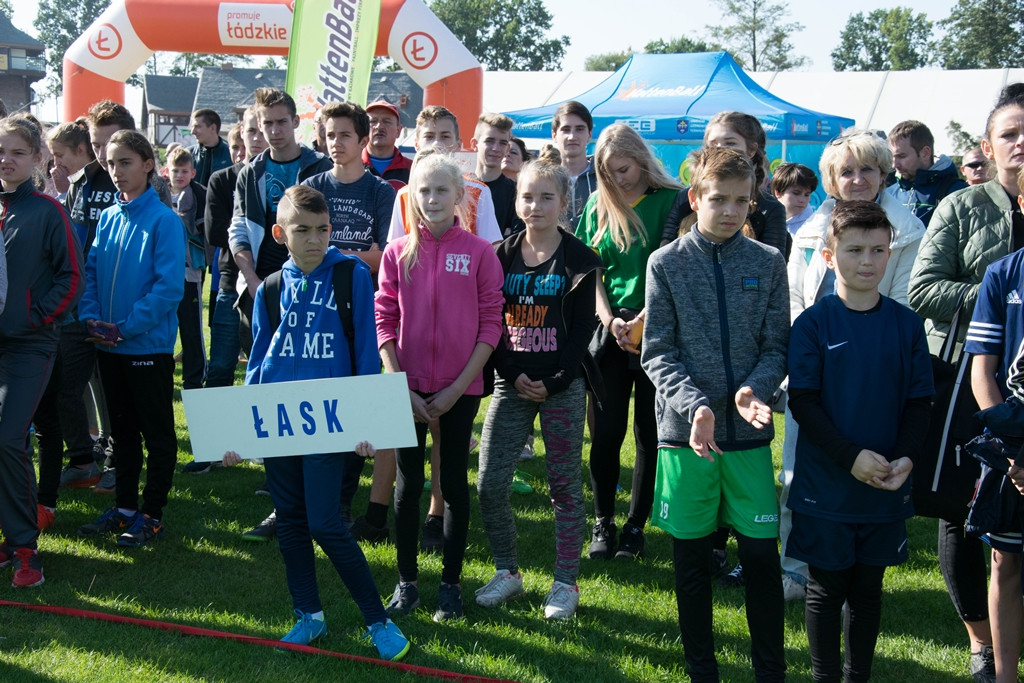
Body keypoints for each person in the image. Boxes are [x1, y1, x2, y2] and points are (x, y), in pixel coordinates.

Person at [222, 184, 411, 659]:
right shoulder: (269, 288)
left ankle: (377, 621)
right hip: (280, 423)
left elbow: (367, 352)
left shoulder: (350, 277)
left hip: (331, 421)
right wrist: (241, 430)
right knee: (290, 521)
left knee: (326, 523)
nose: (314, 239)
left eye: (322, 229)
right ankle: (309, 616)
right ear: (279, 233)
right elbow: (259, 363)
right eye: (302, 230)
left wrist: (368, 419)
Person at [643, 146, 788, 682]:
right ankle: (701, 669)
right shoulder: (666, 263)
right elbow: (656, 351)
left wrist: (754, 391)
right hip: (686, 440)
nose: (730, 211)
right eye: (719, 199)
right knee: (693, 565)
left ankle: (770, 671)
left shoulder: (768, 263)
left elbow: (778, 347)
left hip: (748, 443)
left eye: (742, 201)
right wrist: (696, 405)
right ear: (696, 197)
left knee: (761, 564)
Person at [787, 200, 932, 683]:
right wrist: (849, 458)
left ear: (890, 254)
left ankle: (858, 677)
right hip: (826, 486)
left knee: (869, 590)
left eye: (877, 250)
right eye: (854, 250)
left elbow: (919, 402)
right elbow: (804, 402)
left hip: (885, 485)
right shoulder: (812, 324)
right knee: (826, 590)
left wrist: (907, 457)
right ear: (829, 257)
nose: (867, 261)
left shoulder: (906, 325)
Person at [908, 83, 1024, 683]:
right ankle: (981, 642)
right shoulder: (961, 206)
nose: (1020, 143)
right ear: (988, 145)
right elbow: (922, 289)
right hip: (965, 376)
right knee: (962, 507)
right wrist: (998, 299)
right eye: (1009, 133)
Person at [781, 129, 926, 601]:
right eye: (847, 170)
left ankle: (864, 562)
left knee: (868, 464)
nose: (858, 179)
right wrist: (808, 355)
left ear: (884, 173)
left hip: (876, 371)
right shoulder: (806, 230)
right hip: (815, 366)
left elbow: (904, 300)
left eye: (868, 169)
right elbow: (795, 298)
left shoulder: (907, 231)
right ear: (831, 178)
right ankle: (795, 567)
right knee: (799, 470)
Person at [475, 146, 603, 619]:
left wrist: (555, 380)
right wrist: (513, 372)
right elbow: (488, 318)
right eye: (527, 196)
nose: (535, 206)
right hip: (512, 381)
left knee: (565, 487)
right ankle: (508, 572)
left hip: (562, 386)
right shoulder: (498, 255)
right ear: (516, 202)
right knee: (489, 482)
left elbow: (587, 328)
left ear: (563, 203)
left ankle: (565, 584)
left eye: (546, 197)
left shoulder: (581, 259)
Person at [375, 151, 504, 622]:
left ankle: (451, 585)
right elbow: (384, 319)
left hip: (459, 391)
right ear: (410, 197)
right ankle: (406, 582)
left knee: (452, 484)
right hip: (404, 390)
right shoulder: (396, 252)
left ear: (459, 197)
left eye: (441, 190)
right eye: (423, 190)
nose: (431, 198)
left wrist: (457, 388)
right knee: (408, 487)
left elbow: (492, 324)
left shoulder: (479, 253)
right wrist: (398, 383)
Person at [575, 123, 681, 560]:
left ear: (642, 160)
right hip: (609, 331)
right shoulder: (598, 205)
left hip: (656, 326)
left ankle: (636, 524)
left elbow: (676, 267)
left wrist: (642, 319)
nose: (618, 178)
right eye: (609, 171)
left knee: (649, 432)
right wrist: (607, 319)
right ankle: (603, 521)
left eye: (624, 169)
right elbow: (589, 271)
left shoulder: (671, 201)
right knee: (604, 431)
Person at [76, 130, 183, 548]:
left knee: (156, 434)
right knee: (119, 433)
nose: (117, 171)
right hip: (108, 345)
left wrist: (125, 327)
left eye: (125, 162)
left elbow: (168, 288)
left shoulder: (164, 221)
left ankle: (152, 514)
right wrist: (91, 317)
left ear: (147, 165)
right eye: (110, 163)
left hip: (145, 347)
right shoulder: (108, 218)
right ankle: (123, 508)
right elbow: (92, 273)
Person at [300, 100, 396, 543]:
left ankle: (340, 498)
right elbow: (299, 249)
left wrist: (331, 255)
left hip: (360, 307)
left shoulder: (381, 193)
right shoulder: (312, 185)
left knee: (355, 398)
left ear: (362, 141)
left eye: (344, 135)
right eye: (329, 134)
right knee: (313, 398)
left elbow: (383, 256)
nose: (335, 143)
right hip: (313, 307)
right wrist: (347, 258)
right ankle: (300, 497)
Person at [0, 116, 83, 588]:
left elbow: (74, 277)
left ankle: (26, 548)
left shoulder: (49, 212)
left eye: (16, 152)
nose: (6, 160)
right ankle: (9, 538)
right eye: (0, 151)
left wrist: (36, 317)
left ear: (37, 159)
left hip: (30, 346)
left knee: (10, 438)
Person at [36, 122, 106, 499]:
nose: (56, 162)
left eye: (60, 155)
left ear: (80, 151)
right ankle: (83, 458)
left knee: (101, 389)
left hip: (100, 302)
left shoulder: (106, 182)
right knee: (67, 389)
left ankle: (104, 461)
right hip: (76, 304)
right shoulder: (76, 185)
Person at [660, 111, 789, 259]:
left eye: (730, 143)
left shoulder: (770, 208)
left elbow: (773, 267)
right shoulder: (685, 198)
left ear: (752, 150)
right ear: (694, 200)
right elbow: (666, 252)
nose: (721, 149)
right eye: (713, 144)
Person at [203, 107, 268, 391]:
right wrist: (244, 229)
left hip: (276, 281)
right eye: (250, 131)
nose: (256, 138)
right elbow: (214, 232)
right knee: (220, 365)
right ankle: (212, 434)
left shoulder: (280, 176)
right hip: (232, 283)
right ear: (242, 133)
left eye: (260, 131)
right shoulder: (222, 179)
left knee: (268, 366)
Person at [166, 146, 208, 390]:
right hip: (162, 271)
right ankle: (164, 374)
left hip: (189, 270)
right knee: (164, 326)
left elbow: (204, 233)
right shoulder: (159, 195)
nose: (179, 176)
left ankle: (194, 378)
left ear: (192, 173)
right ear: (167, 172)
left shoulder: (197, 196)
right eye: (175, 171)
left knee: (191, 328)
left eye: (184, 171)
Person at [886, 120, 968, 226]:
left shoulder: (958, 193)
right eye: (892, 156)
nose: (894, 164)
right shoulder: (889, 194)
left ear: (925, 153)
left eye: (902, 156)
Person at [471, 112, 524, 238]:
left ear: (507, 148)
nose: (496, 148)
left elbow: (516, 241)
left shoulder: (517, 193)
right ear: (474, 144)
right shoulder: (460, 188)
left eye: (502, 143)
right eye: (489, 141)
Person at [552, 101, 597, 229]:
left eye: (579, 129)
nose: (572, 136)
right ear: (554, 135)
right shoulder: (546, 180)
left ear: (589, 134)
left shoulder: (605, 178)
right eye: (566, 129)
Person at [361, 98, 411, 191]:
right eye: (373, 121)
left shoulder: (412, 169)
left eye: (386, 121)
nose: (379, 126)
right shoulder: (352, 165)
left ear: (398, 131)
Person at [188, 108, 232, 187]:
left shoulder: (231, 155)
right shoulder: (188, 154)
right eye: (192, 127)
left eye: (197, 126)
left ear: (212, 128)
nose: (192, 131)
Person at [771, 162, 817, 235]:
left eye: (807, 194)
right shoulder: (766, 219)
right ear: (778, 192)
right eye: (796, 193)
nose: (802, 200)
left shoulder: (814, 226)